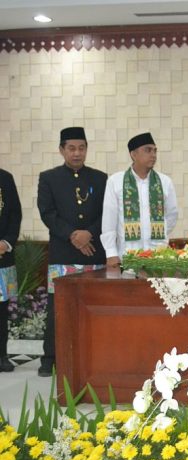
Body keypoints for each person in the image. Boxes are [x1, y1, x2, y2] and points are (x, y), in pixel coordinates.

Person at [37, 127, 107, 377]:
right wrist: (73, 235)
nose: (77, 153)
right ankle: (50, 359)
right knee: (58, 307)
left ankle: (95, 354)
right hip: (63, 253)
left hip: (93, 252)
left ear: (86, 149)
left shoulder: (101, 178)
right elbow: (47, 213)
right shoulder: (48, 178)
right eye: (71, 148)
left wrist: (89, 232)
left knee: (93, 307)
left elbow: (107, 214)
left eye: (82, 147)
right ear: (62, 150)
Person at [101, 132, 178, 267]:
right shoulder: (115, 181)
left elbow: (172, 215)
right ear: (133, 154)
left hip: (158, 256)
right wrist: (111, 253)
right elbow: (109, 220)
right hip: (127, 256)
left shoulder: (165, 182)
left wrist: (158, 235)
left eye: (155, 151)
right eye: (148, 150)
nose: (153, 155)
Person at [0, 169, 21, 373]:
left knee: (1, 310)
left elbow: (15, 213)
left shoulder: (5, 177)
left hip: (2, 254)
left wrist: (5, 243)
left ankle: (1, 356)